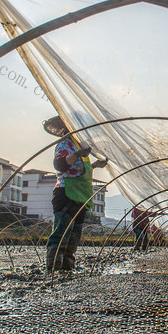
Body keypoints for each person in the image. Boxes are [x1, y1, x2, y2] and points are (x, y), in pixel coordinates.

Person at [43, 115, 108, 272]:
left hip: (80, 195)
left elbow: (80, 170)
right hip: (66, 194)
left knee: (74, 235)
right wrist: (78, 154)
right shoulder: (65, 144)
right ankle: (54, 270)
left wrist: (95, 165)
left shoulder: (79, 146)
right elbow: (60, 164)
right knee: (61, 232)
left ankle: (67, 268)